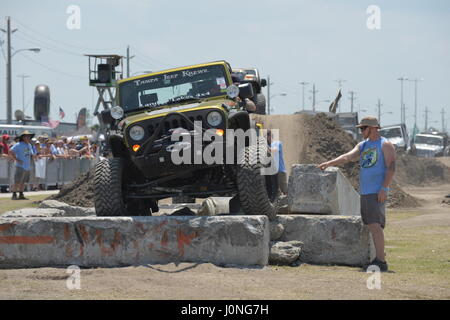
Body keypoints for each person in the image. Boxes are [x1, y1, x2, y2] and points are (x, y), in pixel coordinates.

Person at [317, 116, 396, 272]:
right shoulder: (363, 145)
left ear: (373, 128)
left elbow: (391, 168)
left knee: (375, 225)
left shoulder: (385, 145)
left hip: (376, 191)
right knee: (371, 225)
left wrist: (384, 188)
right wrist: (329, 163)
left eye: (363, 128)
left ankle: (381, 261)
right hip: (365, 191)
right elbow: (347, 156)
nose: (361, 131)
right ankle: (379, 256)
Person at [9, 130, 37, 200]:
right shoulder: (18, 144)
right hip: (20, 166)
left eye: (29, 136)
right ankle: (14, 195)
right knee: (17, 181)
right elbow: (10, 151)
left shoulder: (29, 145)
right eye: (26, 136)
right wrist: (16, 159)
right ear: (23, 137)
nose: (28, 137)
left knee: (23, 182)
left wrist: (34, 156)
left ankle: (21, 194)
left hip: (27, 166)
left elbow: (31, 154)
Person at [267, 129, 288, 195]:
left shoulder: (277, 143)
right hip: (272, 173)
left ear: (271, 136)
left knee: (284, 191)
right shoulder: (267, 146)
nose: (267, 138)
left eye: (268, 135)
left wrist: (266, 148)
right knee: (276, 193)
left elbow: (275, 150)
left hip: (280, 171)